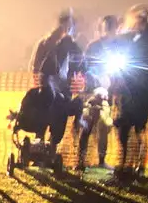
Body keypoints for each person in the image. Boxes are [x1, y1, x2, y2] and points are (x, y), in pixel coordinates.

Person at [112, 6, 148, 175]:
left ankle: (129, 163)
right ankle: (132, 163)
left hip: (135, 92)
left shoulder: (145, 42)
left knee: (131, 129)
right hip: (137, 91)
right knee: (134, 129)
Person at [30, 9, 82, 146]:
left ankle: (46, 152)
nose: (69, 28)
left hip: (57, 92)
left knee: (51, 125)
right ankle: (43, 152)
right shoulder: (48, 42)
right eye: (68, 24)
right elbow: (36, 66)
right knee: (48, 124)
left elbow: (79, 65)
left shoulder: (70, 45)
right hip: (50, 91)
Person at [78, 15, 121, 170]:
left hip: (108, 93)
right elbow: (85, 68)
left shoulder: (117, 46)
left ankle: (101, 160)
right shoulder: (93, 46)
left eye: (112, 26)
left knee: (104, 127)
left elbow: (121, 70)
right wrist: (96, 80)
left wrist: (114, 85)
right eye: (108, 26)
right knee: (88, 126)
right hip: (92, 93)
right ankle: (80, 160)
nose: (110, 29)